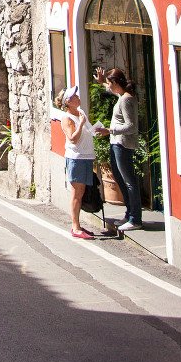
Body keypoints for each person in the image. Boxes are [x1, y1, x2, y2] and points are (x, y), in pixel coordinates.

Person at [94, 66, 142, 231]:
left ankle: (135, 218)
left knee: (129, 181)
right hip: (116, 143)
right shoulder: (122, 95)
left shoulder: (127, 99)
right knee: (121, 179)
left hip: (123, 144)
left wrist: (110, 130)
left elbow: (131, 126)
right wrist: (101, 82)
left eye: (109, 83)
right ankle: (129, 214)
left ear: (115, 82)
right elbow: (111, 91)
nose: (108, 86)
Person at [55, 84, 96, 240]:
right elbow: (73, 139)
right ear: (68, 102)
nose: (78, 98)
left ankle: (77, 225)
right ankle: (75, 227)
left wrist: (99, 130)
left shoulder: (80, 113)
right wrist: (80, 123)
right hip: (76, 158)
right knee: (76, 193)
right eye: (74, 97)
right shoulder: (66, 119)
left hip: (86, 157)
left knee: (81, 192)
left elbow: (89, 130)